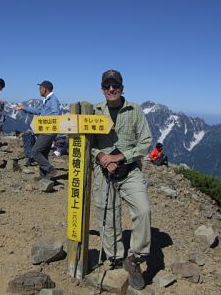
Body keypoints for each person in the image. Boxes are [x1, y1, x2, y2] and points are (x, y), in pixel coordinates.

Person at [91, 69, 152, 290]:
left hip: (130, 169)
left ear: (122, 88)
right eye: (107, 86)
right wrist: (102, 157)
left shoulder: (134, 111)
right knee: (108, 214)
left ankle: (135, 258)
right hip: (102, 168)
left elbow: (145, 142)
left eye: (115, 85)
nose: (111, 89)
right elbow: (87, 142)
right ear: (102, 89)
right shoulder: (94, 111)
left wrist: (118, 157)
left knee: (143, 210)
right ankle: (115, 256)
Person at [14, 80, 60, 179]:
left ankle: (50, 169)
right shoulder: (46, 100)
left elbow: (56, 114)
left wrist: (43, 119)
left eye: (40, 88)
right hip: (44, 130)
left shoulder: (53, 100)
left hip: (48, 131)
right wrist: (23, 108)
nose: (39, 90)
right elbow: (38, 111)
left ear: (45, 89)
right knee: (43, 153)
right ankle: (44, 177)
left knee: (35, 151)